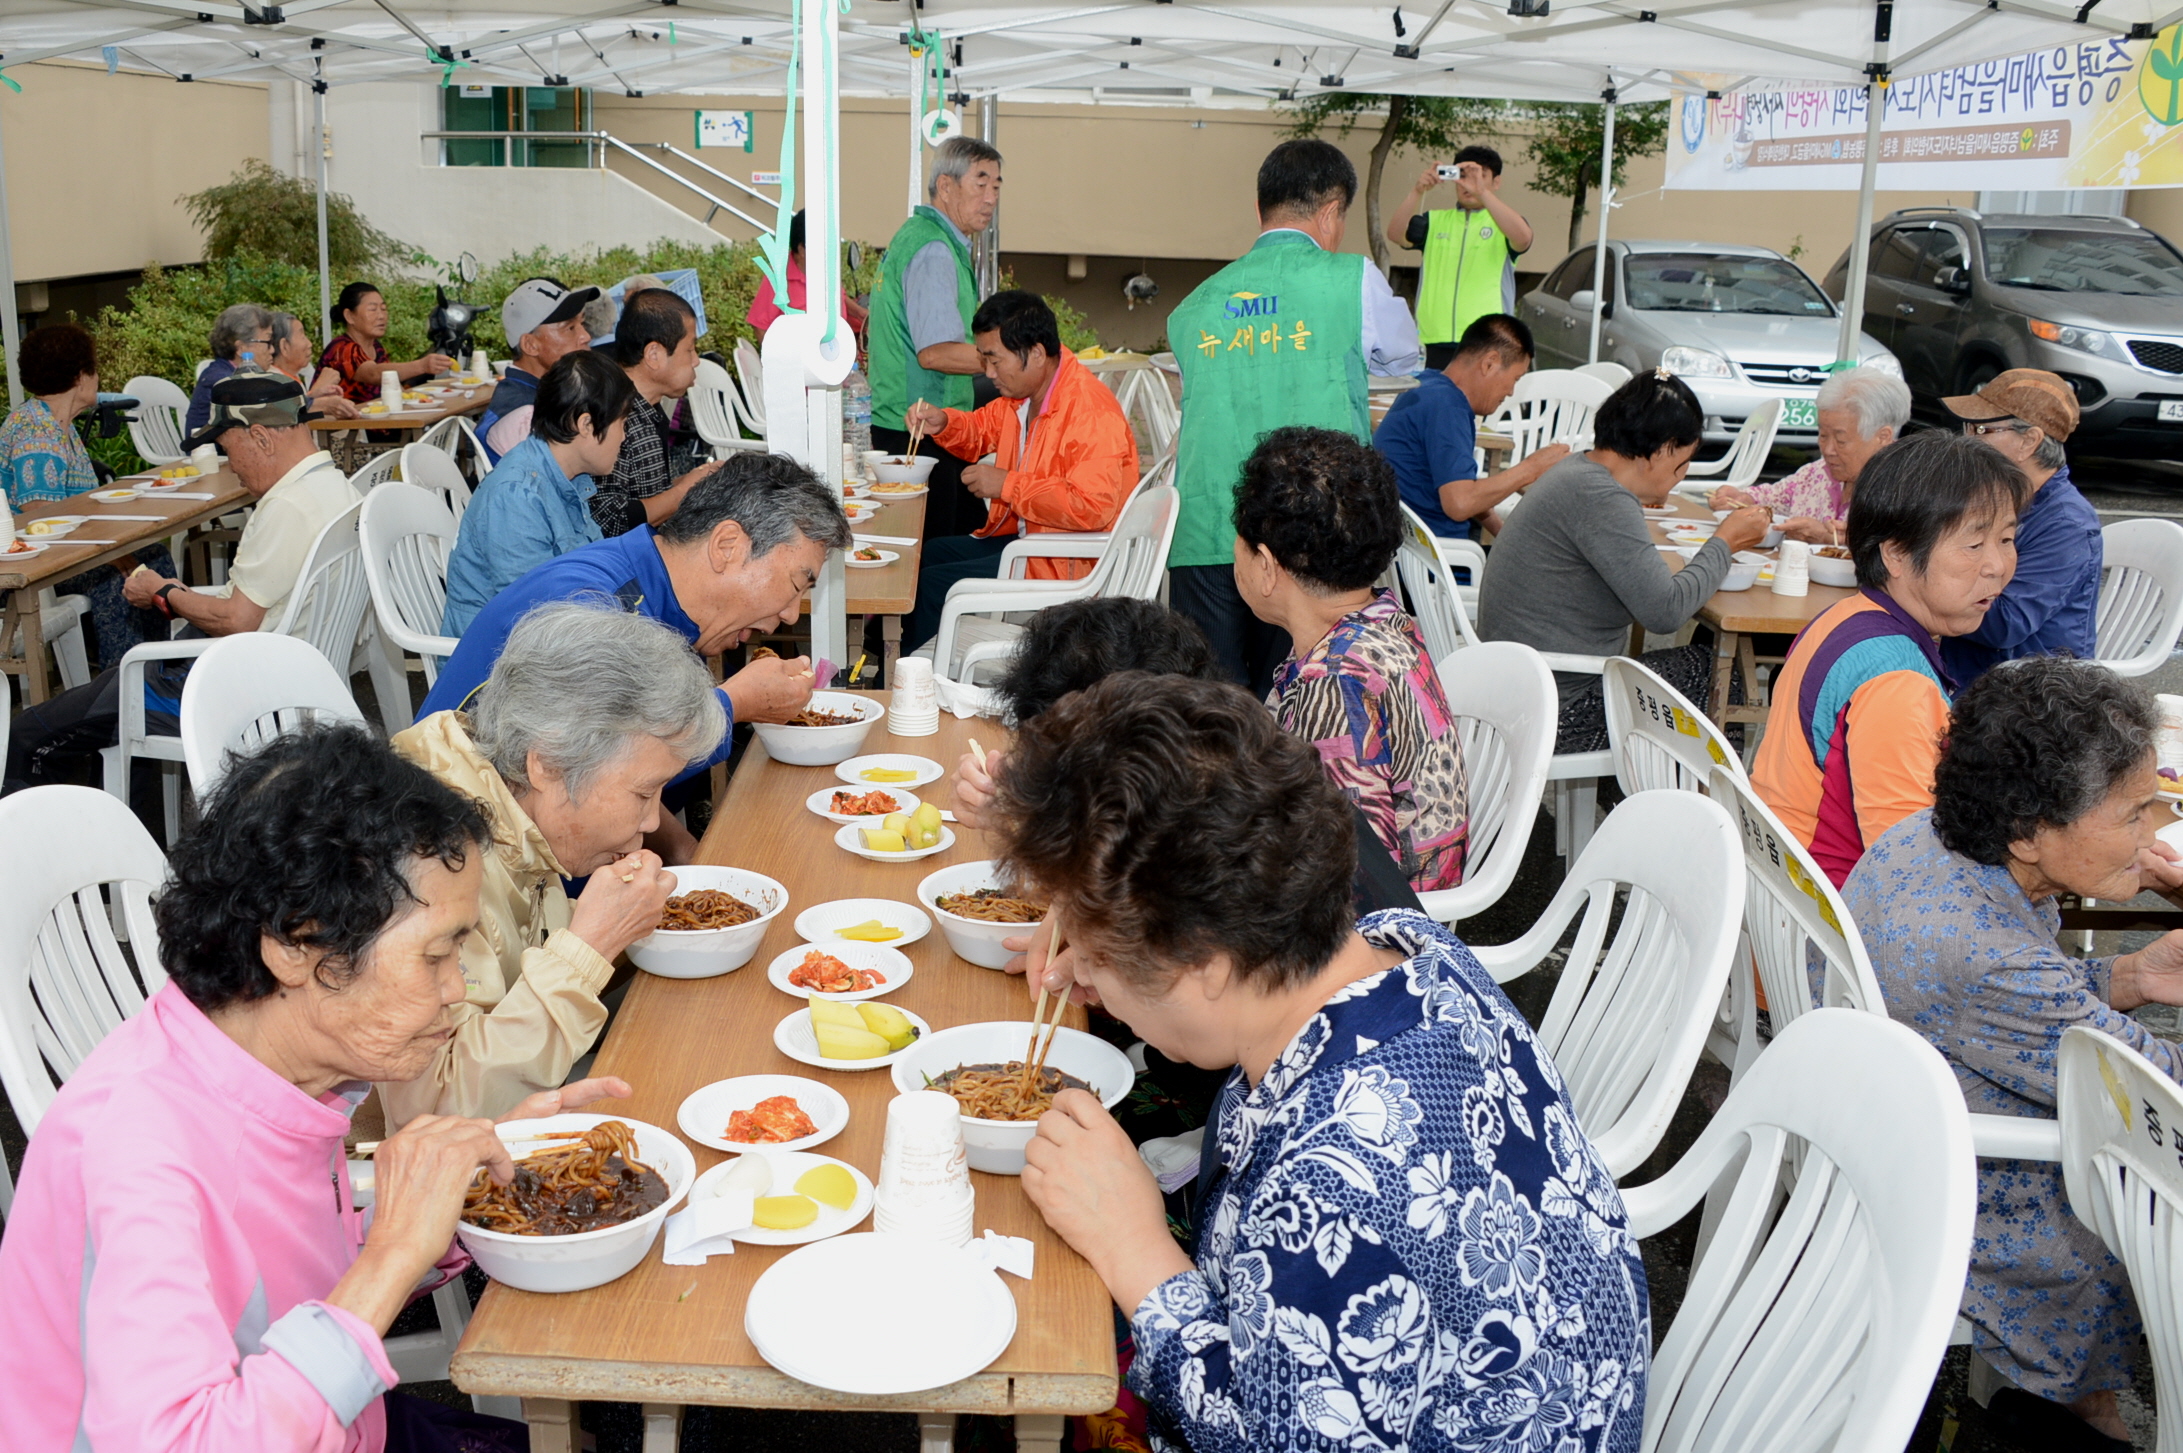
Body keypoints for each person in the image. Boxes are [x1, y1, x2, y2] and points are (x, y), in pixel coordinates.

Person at [995, 673, 1649, 1453]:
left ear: (1201, 960)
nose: (1085, 977)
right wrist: (1111, 933)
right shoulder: (1410, 948)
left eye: (1098, 958)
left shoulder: (1329, 1183)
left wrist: (1134, 1248)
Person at [0, 723, 635, 1452]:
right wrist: (391, 1256)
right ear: (298, 946)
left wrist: (455, 1190)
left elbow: (282, 1284)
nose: (456, 988)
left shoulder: (277, 1065)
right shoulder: (142, 1153)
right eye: (436, 953)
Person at [1846, 658, 2183, 1453]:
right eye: (2136, 812)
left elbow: (2020, 1010)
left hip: (1897, 1110)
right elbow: (2151, 1095)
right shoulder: (1984, 955)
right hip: (1962, 1184)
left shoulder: (1932, 839)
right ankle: (2084, 1419)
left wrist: (2129, 973)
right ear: (2030, 828)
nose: (2155, 832)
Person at [386, 604, 721, 1123]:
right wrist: (590, 947)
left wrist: (622, 925)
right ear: (546, 764)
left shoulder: (508, 798)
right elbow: (435, 1114)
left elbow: (522, 947)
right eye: (643, 793)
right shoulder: (424, 856)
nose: (654, 823)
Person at [420, 452, 851, 841]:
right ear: (727, 546)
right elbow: (589, 775)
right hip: (466, 856)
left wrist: (683, 851)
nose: (793, 614)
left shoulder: (661, 592)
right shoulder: (594, 604)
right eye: (797, 583)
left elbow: (633, 781)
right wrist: (732, 704)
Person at [4, 373, 354, 798]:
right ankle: (121, 820)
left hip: (235, 690)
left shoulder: (287, 506)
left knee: (26, 735)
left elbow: (238, 619)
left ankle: (44, 849)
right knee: (113, 690)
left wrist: (163, 592)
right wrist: (177, 593)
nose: (233, 466)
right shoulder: (336, 487)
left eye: (228, 451)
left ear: (261, 437)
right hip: (291, 672)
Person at [1167, 139, 1424, 694]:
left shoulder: (1193, 306)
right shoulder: (1352, 279)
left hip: (1207, 530)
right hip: (1315, 534)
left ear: (1261, 210)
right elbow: (1405, 356)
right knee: (1307, 703)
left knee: (1211, 710)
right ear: (1332, 211)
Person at [1752, 430, 2026, 885]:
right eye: (1974, 545)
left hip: (1782, 888)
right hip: (1831, 922)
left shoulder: (1845, 616)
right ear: (1896, 554)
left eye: (2007, 539)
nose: (1997, 565)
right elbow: (1909, 867)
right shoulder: (1897, 680)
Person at [1478, 370, 1771, 751]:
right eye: (1681, 464)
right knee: (1714, 672)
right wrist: (1725, 542)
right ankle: (1701, 806)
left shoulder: (1578, 471)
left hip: (1514, 684)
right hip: (1553, 707)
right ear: (1664, 450)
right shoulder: (1602, 497)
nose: (1678, 479)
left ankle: (1632, 793)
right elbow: (1665, 612)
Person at [1234, 427, 1469, 894]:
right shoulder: (1383, 618)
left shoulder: (1336, 681)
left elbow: (1346, 883)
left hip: (1374, 933)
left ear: (1265, 565)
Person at [900, 291, 1139, 650]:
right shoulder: (1025, 396)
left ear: (1037, 353)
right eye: (983, 360)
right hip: (1035, 540)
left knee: (935, 586)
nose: (988, 372)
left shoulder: (1089, 410)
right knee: (930, 555)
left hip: (1068, 562)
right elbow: (981, 430)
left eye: (995, 360)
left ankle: (920, 686)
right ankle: (915, 662)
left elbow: (1092, 506)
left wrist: (1007, 485)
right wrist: (943, 422)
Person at [0, 323, 179, 662]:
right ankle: (119, 685)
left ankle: (158, 670)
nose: (98, 378)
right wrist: (117, 557)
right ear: (81, 377)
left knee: (153, 557)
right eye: (94, 370)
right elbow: (43, 519)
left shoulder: (56, 424)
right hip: (35, 565)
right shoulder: (36, 432)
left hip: (67, 554)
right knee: (115, 582)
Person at [868, 135, 1004, 540]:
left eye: (997, 186)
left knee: (958, 541)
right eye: (980, 183)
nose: (991, 197)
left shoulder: (922, 237)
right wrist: (1002, 362)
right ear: (946, 186)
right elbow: (935, 352)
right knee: (930, 562)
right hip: (918, 430)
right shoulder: (934, 250)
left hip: (916, 421)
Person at [442, 352, 634, 636]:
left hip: (551, 639)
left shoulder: (567, 477)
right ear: (586, 425)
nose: (624, 436)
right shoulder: (517, 497)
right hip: (499, 663)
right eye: (622, 423)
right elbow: (534, 617)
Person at [1939, 369, 2102, 684]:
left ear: (2029, 441)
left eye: (1982, 429)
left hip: (2030, 699)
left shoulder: (2068, 524)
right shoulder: (1998, 498)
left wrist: (1923, 588)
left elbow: (2005, 624)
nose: (1966, 440)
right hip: (1973, 675)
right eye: (1968, 428)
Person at [1373, 312, 1568, 540]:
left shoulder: (1426, 386)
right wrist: (1531, 468)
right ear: (1489, 363)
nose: (1511, 391)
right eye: (1515, 378)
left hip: (1411, 552)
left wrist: (1501, 532)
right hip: (1445, 564)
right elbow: (1460, 502)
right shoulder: (1448, 407)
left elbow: (1458, 484)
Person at [1708, 366, 1908, 544]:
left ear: (1883, 437)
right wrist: (1743, 498)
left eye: (1841, 440)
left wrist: (1827, 538)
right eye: (1822, 435)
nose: (1828, 450)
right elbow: (1773, 499)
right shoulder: (1817, 474)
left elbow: (1903, 553)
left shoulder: (1907, 488)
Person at [1386, 145, 1535, 370]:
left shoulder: (1503, 224)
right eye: (1464, 176)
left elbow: (1524, 238)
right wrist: (1418, 191)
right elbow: (1395, 234)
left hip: (1486, 341)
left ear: (1496, 183)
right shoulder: (1434, 220)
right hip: (1435, 340)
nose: (1471, 183)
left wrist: (1482, 194)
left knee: (1478, 406)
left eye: (1481, 176)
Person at [589, 287, 711, 537]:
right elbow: (608, 520)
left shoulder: (647, 409)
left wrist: (691, 482)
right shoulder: (613, 415)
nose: (696, 360)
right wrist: (683, 491)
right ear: (654, 355)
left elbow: (645, 495)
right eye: (690, 349)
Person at [477, 276, 601, 465]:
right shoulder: (524, 417)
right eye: (570, 328)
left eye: (582, 324)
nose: (585, 336)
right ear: (530, 345)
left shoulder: (547, 393)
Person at [317, 281, 453, 405]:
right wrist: (422, 366)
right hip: (348, 429)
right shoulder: (342, 348)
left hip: (381, 424)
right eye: (372, 309)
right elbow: (374, 374)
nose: (381, 316)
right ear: (349, 316)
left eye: (383, 309)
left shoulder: (376, 346)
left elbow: (392, 385)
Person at [747, 209, 871, 334]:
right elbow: (760, 326)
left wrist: (859, 312)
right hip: (800, 351)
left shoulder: (825, 268)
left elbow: (839, 296)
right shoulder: (778, 277)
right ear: (802, 249)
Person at [183, 302, 274, 434]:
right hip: (213, 454)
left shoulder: (227, 373)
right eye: (268, 342)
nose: (272, 349)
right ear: (242, 348)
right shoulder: (222, 381)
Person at [267, 311, 363, 420]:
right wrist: (319, 389)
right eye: (302, 337)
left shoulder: (290, 377)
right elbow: (289, 414)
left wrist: (314, 394)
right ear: (284, 346)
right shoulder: (273, 381)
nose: (309, 344)